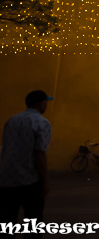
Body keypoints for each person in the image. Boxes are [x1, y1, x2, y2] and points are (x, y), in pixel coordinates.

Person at [0, 90, 52, 225]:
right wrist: (45, 181)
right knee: (33, 221)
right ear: (41, 104)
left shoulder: (12, 120)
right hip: (30, 180)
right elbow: (39, 154)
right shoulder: (42, 123)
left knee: (7, 221)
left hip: (7, 179)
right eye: (46, 102)